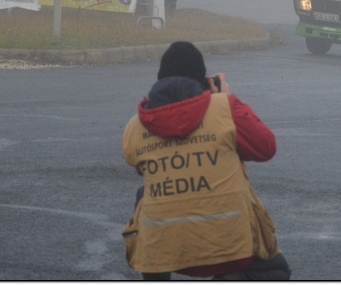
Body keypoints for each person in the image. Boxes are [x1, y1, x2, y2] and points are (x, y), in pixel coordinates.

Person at [122, 41, 290, 281]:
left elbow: (141, 167)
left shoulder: (134, 128)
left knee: (145, 194)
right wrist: (224, 99)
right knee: (273, 269)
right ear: (203, 80)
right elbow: (266, 148)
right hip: (231, 252)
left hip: (165, 253)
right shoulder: (224, 109)